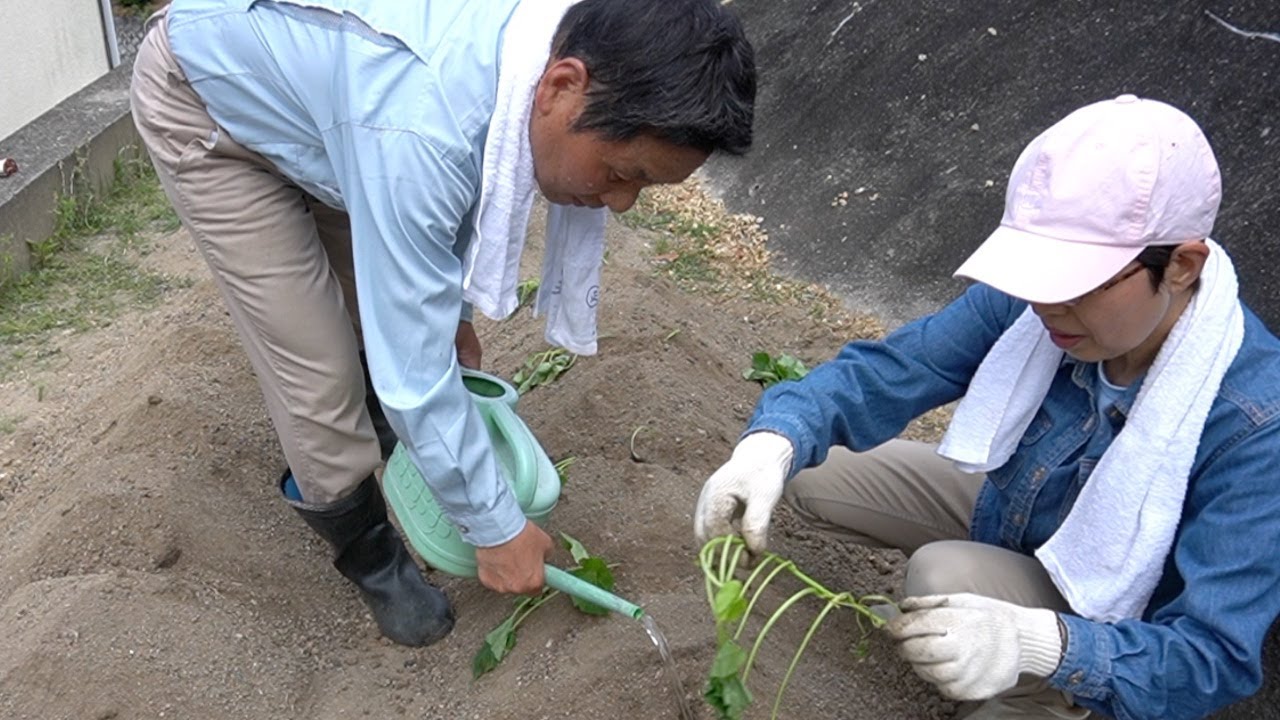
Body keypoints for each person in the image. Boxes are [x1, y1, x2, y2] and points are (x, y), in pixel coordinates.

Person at [130, 0, 755, 647]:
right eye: (623, 174)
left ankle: (397, 445)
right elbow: (417, 354)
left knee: (374, 315)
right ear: (563, 86)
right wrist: (496, 529)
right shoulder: (419, 128)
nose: (620, 201)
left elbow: (461, 197)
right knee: (319, 365)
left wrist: (450, 312)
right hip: (205, 101)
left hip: (335, 101)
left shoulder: (520, 58)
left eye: (643, 187)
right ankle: (368, 552)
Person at [694, 94, 1280, 719]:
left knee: (944, 576)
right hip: (1025, 512)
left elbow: (1212, 657)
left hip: (1112, 615)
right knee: (808, 470)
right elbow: (898, 368)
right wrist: (773, 443)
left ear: (1183, 266)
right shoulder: (1038, 308)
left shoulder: (1254, 423)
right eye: (1037, 276)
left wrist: (1037, 641)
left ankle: (1052, 700)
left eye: (1077, 283)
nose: (1048, 306)